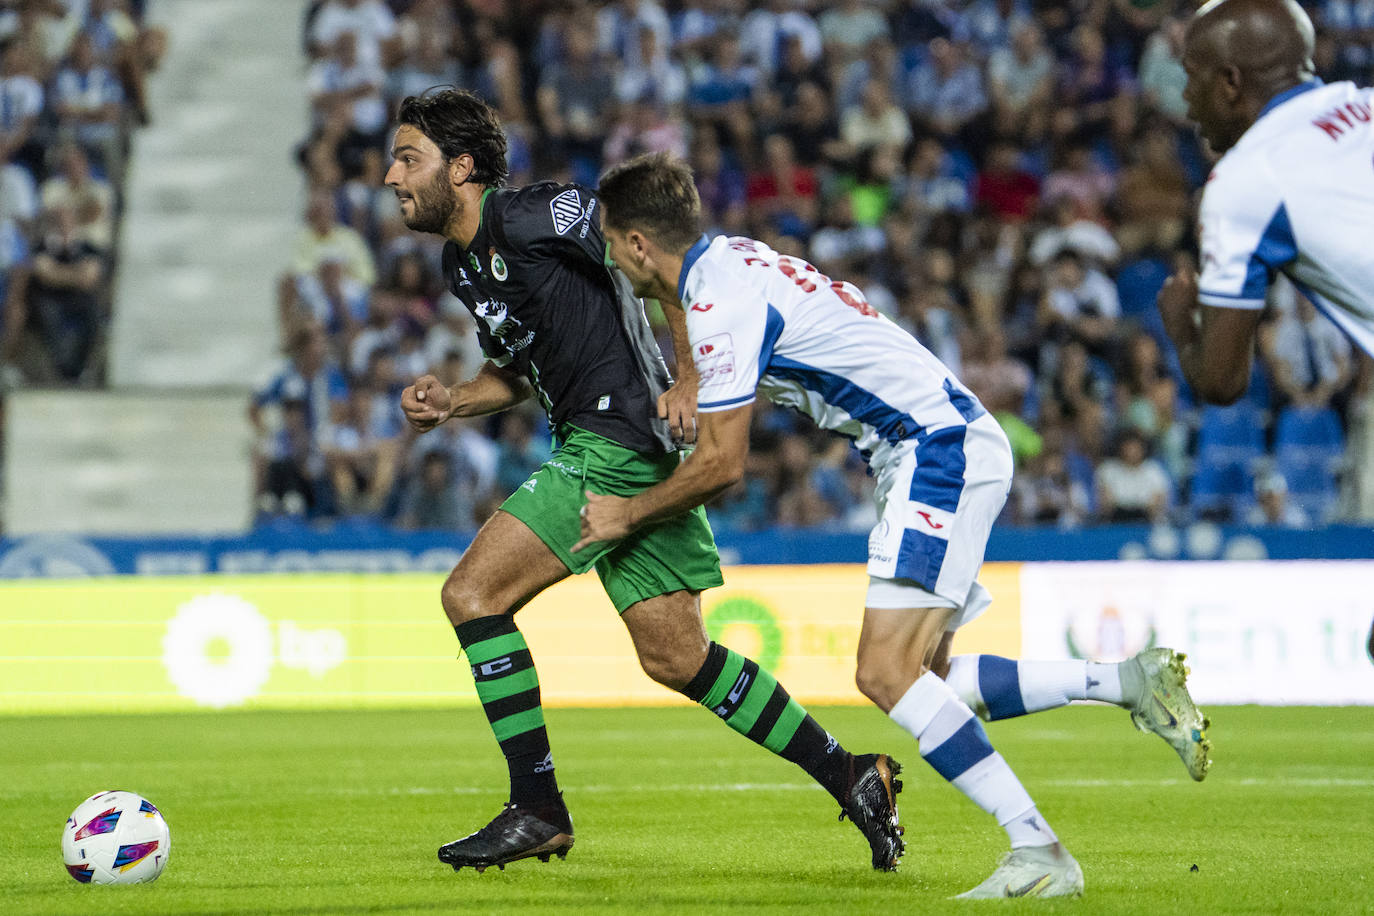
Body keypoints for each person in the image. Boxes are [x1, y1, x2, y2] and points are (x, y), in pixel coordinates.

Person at [584, 152, 1215, 899]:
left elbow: (723, 466)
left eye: (608, 242)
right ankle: (1125, 681)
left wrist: (625, 513)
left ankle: (1039, 849)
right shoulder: (725, 261)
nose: (607, 260)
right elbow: (677, 301)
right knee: (931, 677)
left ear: (635, 244)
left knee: (884, 674)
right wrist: (688, 376)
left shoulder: (720, 301)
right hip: (943, 441)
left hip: (931, 450)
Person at [386, 89, 903, 875]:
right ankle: (850, 773)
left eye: (408, 158)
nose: (392, 176)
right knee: (676, 656)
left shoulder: (540, 213)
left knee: (471, 596)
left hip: (614, 436)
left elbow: (665, 263)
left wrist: (692, 375)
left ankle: (537, 805)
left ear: (461, 168)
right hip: (620, 443)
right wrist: (453, 399)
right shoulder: (462, 261)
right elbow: (519, 369)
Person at [1158, 0, 1374, 406]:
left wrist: (1181, 323)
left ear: (1230, 83)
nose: (1186, 98)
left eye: (1190, 77)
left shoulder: (1244, 182)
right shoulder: (1366, 102)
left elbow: (1221, 382)